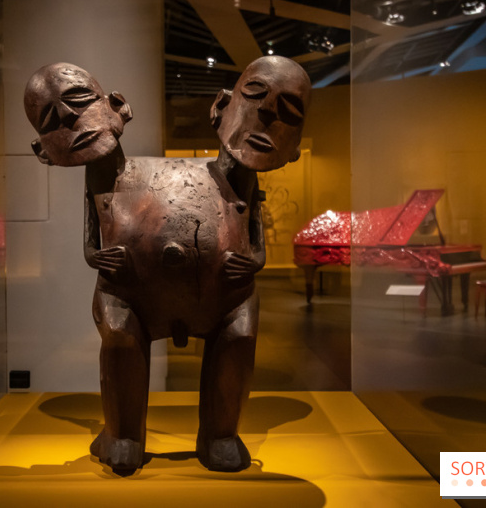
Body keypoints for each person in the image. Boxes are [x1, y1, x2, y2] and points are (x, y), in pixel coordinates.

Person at [23, 56, 311, 474]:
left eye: (288, 111)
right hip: (131, 295)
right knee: (121, 337)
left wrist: (252, 263)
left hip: (223, 296)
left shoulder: (240, 174)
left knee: (239, 334)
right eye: (51, 116)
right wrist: (94, 257)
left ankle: (220, 433)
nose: (68, 115)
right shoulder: (105, 175)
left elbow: (252, 236)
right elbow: (92, 239)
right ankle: (124, 434)